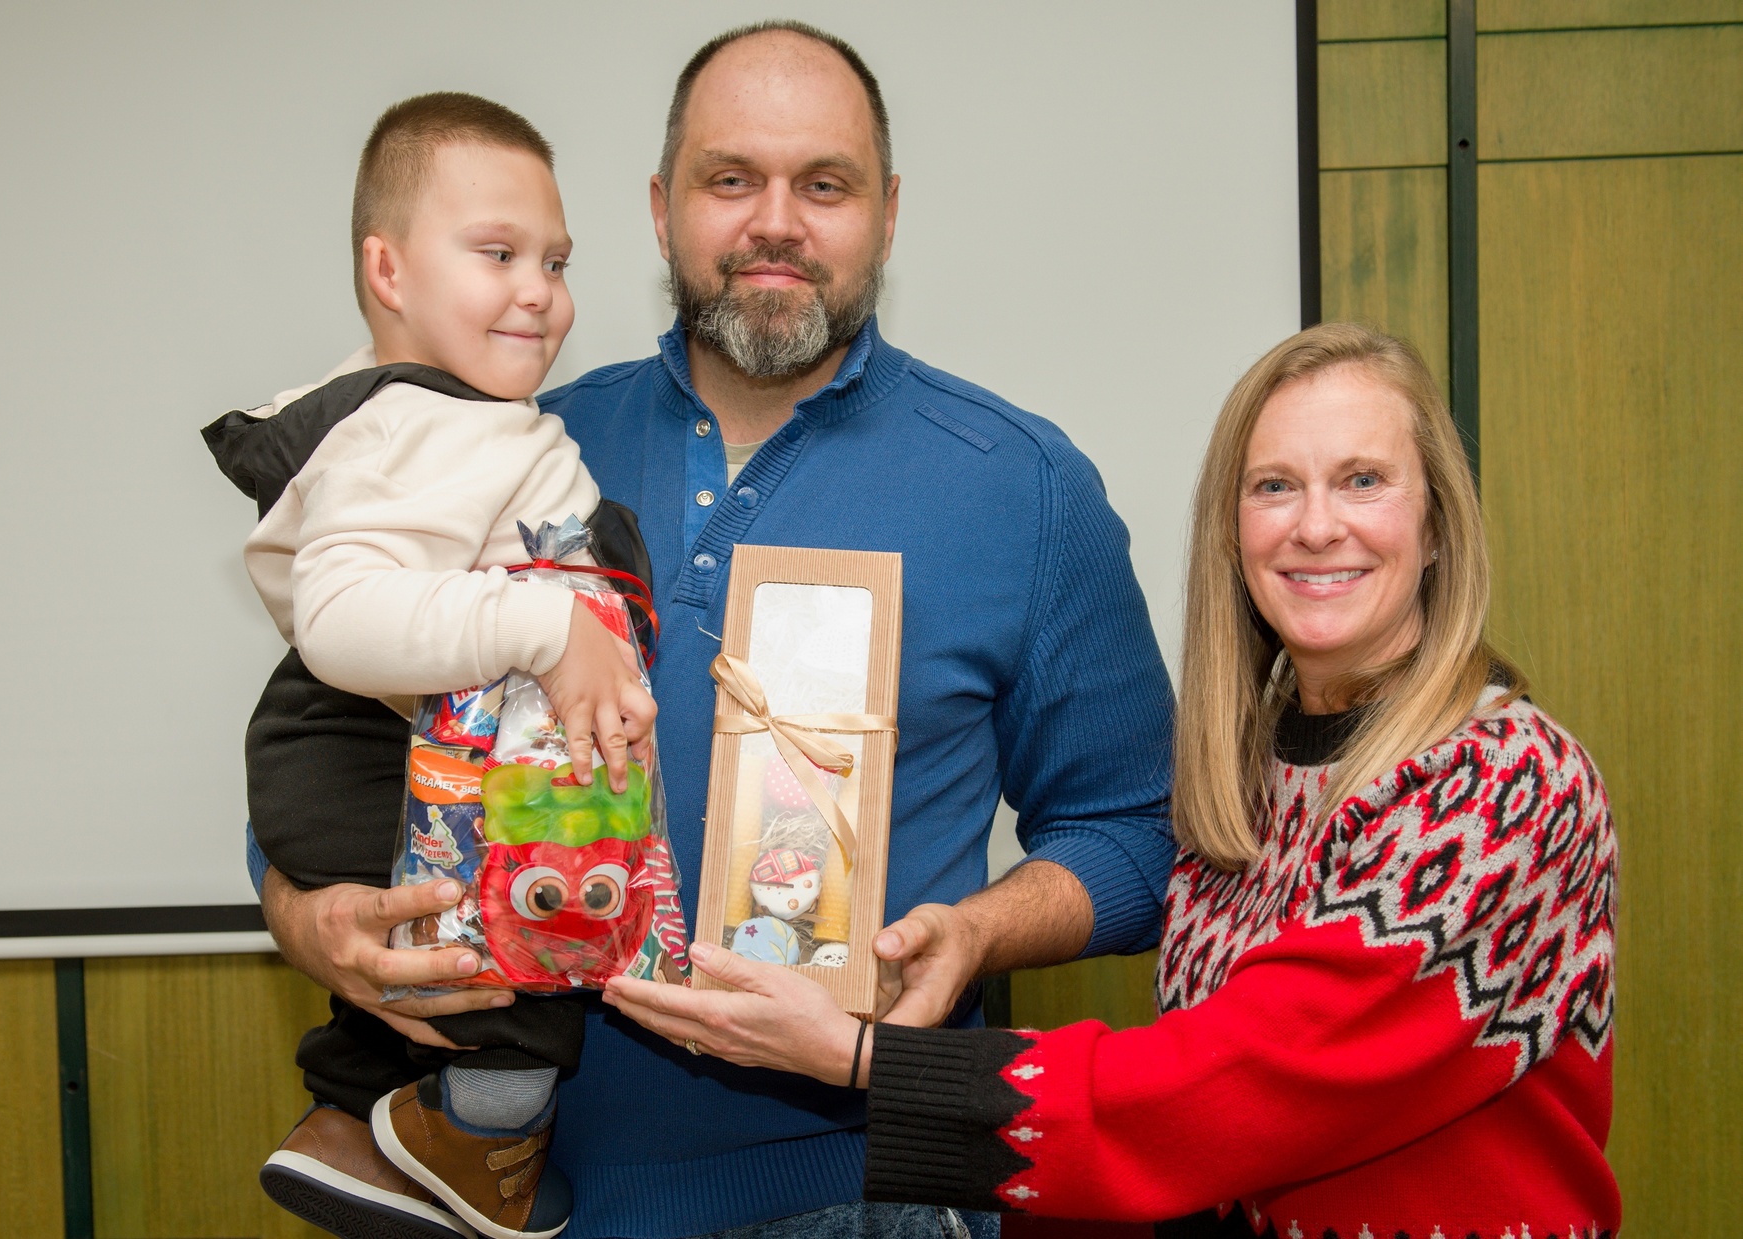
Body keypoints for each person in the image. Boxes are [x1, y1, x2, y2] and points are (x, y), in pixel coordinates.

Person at [252, 20, 1177, 1239]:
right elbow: (330, 741)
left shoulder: (1022, 485)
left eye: (825, 185)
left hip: (866, 1195)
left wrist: (976, 932)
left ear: (888, 212)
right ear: (661, 208)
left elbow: (1134, 833)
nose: (774, 223)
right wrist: (306, 920)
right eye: (730, 179)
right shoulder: (501, 446)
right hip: (515, 1193)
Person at [604, 323, 1622, 1239]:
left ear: (1437, 524)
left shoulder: (1506, 786)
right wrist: (968, 933)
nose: (1316, 526)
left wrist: (863, 1061)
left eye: (1363, 480)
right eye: (1274, 486)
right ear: (1232, 529)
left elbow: (1223, 1098)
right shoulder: (1249, 777)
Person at [206, 93, 660, 1239]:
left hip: (378, 742)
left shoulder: (446, 414)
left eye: (555, 260)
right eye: (497, 253)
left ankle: (350, 1128)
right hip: (368, 742)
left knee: (436, 946)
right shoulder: (421, 423)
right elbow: (339, 617)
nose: (538, 290)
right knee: (519, 948)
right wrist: (548, 629)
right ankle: (482, 1141)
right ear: (389, 271)